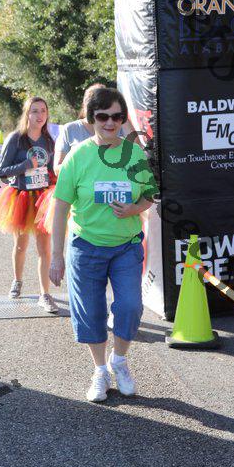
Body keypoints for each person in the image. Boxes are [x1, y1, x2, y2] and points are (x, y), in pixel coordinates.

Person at [49, 88, 158, 402]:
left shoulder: (135, 154)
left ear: (123, 120)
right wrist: (57, 256)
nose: (110, 123)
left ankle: (119, 361)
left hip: (126, 246)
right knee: (91, 311)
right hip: (86, 246)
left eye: (117, 117)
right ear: (91, 118)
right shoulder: (78, 156)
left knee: (130, 306)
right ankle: (100, 370)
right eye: (103, 116)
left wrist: (134, 209)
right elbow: (60, 207)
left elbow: (149, 196)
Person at [0, 96, 58, 313]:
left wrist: (54, 178)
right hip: (21, 198)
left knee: (45, 248)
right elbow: (2, 172)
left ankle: (45, 295)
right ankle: (17, 280)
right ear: (27, 114)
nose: (40, 115)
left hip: (43, 198)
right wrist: (26, 165)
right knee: (21, 245)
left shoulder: (49, 140)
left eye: (43, 110)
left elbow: (52, 168)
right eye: (35, 111)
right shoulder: (16, 139)